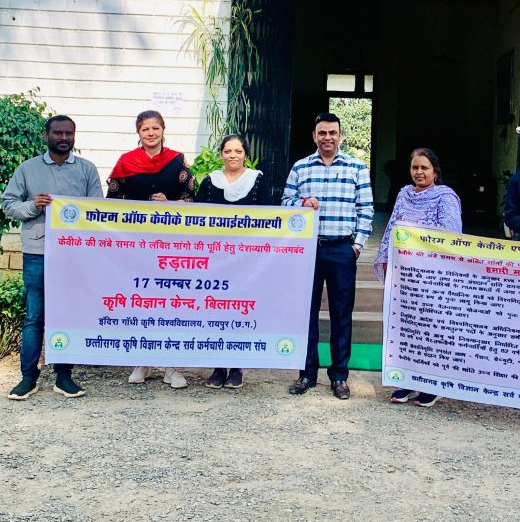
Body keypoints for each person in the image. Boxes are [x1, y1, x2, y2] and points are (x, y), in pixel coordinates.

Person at [2, 114, 102, 400]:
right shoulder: (28, 168)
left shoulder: (86, 169)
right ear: (46, 136)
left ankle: (64, 376)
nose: (64, 138)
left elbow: (97, 208)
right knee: (34, 316)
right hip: (38, 252)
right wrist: (33, 206)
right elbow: (8, 204)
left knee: (68, 314)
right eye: (58, 133)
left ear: (74, 136)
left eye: (69, 133)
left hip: (73, 255)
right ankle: (28, 377)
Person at [281, 112, 374, 400]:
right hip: (308, 251)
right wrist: (302, 202)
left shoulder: (357, 167)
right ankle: (306, 373)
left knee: (341, 314)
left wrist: (356, 246)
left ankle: (339, 376)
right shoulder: (301, 167)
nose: (328, 138)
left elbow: (366, 209)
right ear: (314, 136)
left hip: (342, 249)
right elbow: (285, 203)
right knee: (306, 313)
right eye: (322, 133)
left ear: (340, 135)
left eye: (333, 132)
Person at [107, 109, 194, 389]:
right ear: (138, 132)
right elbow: (112, 203)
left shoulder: (177, 161)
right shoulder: (125, 162)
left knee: (170, 302)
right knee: (141, 300)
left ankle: (171, 366)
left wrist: (170, 203)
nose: (151, 133)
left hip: (172, 244)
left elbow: (192, 199)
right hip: (137, 244)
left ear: (163, 130)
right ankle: (142, 361)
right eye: (145, 129)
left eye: (155, 128)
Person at [373, 147, 462, 408]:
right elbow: (392, 228)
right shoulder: (404, 194)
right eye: (415, 168)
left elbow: (450, 236)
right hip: (405, 275)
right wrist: (387, 260)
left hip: (433, 276)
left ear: (435, 171)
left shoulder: (446, 197)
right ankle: (408, 380)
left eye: (424, 168)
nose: (419, 172)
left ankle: (432, 383)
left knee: (433, 328)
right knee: (407, 327)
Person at [194, 133, 271, 390]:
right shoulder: (210, 182)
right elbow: (197, 217)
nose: (233, 156)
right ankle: (218, 368)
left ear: (245, 154)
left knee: (239, 311)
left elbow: (269, 217)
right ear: (221, 155)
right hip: (215, 259)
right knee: (215, 310)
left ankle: (237, 367)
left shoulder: (257, 180)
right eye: (228, 151)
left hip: (246, 260)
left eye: (238, 151)